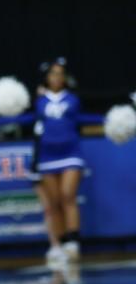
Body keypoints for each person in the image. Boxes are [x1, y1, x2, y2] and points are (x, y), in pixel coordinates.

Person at [9, 60, 100, 264]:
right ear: (47, 78)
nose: (56, 78)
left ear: (65, 78)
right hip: (47, 156)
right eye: (53, 74)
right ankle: (61, 243)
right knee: (54, 202)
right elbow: (29, 120)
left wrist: (108, 120)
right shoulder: (40, 101)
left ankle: (74, 242)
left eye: (60, 74)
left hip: (70, 153)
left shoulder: (73, 99)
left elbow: (82, 119)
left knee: (68, 195)